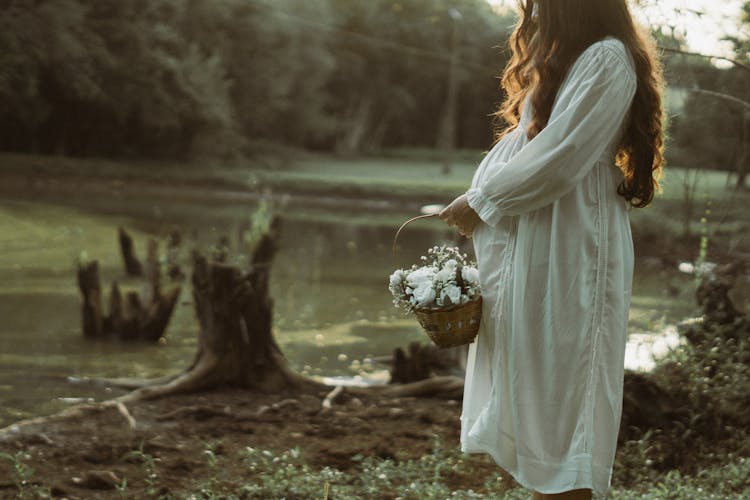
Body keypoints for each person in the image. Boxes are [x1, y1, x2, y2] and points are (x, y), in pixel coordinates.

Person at [438, 0, 664, 498]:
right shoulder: (573, 59)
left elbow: (561, 158)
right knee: (536, 394)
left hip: (572, 249)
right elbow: (531, 146)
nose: (534, 10)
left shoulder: (607, 58)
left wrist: (481, 201)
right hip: (541, 245)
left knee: (565, 404)